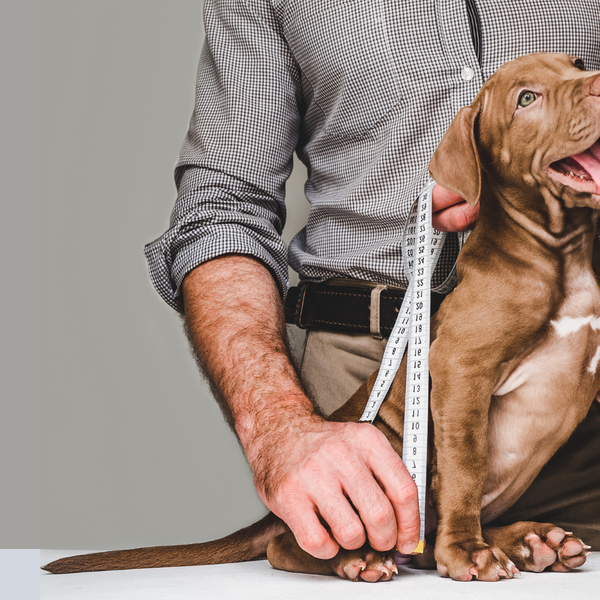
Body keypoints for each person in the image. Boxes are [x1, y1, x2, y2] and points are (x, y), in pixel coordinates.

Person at [145, 0, 600, 561]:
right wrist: (278, 428)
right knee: (366, 550)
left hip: (579, 379)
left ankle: (487, 533)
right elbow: (223, 208)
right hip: (372, 390)